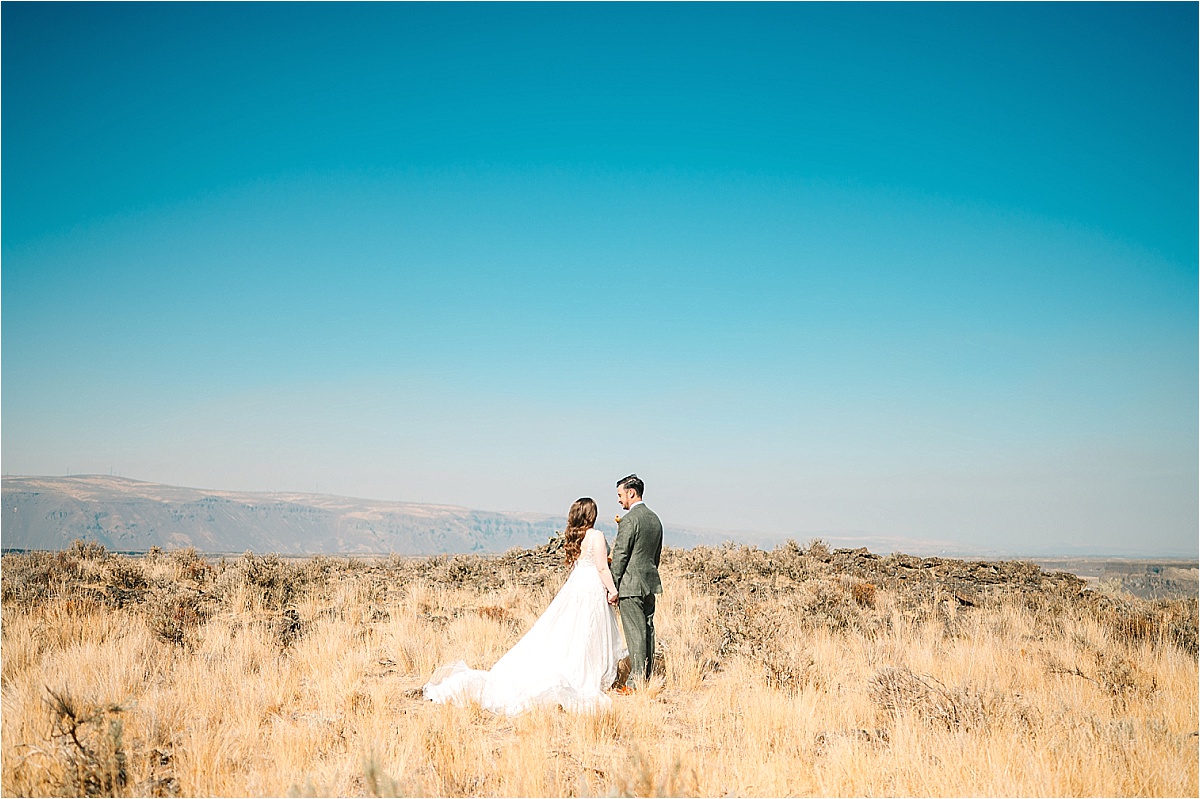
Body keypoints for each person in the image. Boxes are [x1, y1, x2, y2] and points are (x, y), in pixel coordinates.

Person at [423, 497, 628, 714]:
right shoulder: (597, 536)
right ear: (592, 515)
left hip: (577, 586)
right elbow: (602, 568)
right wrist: (613, 591)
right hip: (591, 588)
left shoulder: (576, 537)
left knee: (572, 631)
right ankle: (585, 675)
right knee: (588, 632)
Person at [609, 473, 663, 692]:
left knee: (635, 633)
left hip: (630, 585)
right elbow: (656, 554)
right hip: (649, 582)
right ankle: (647, 677)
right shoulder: (654, 519)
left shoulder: (630, 520)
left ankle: (635, 682)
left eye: (620, 495)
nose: (619, 500)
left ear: (631, 493)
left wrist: (612, 585)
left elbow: (621, 554)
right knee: (648, 630)